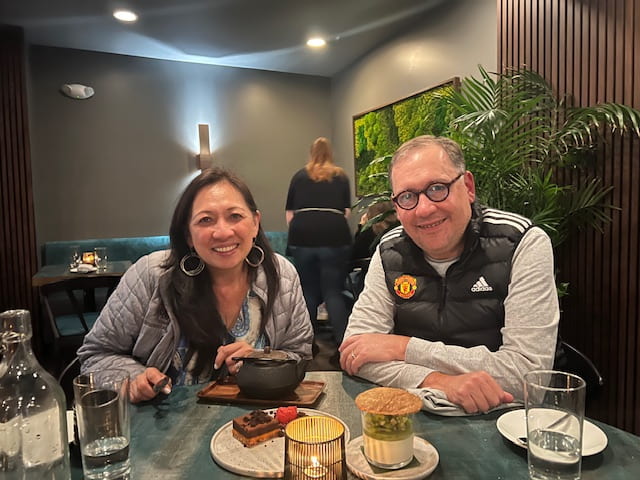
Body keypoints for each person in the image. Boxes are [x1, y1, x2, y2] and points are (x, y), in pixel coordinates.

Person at [339, 135, 559, 414]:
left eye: (437, 188)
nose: (425, 209)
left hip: (503, 420)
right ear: (396, 206)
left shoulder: (522, 243)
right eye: (408, 196)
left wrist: (403, 348)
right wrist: (439, 382)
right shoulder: (389, 251)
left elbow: (528, 378)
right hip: (412, 419)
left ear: (467, 187)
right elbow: (356, 352)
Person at [78, 167, 313, 403]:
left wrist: (262, 359)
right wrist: (133, 379)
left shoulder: (281, 275)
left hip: (260, 428)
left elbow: (300, 355)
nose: (222, 232)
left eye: (235, 216)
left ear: (255, 223)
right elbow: (95, 356)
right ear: (188, 235)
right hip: (163, 431)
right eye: (205, 220)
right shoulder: (151, 275)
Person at [285, 137, 352, 342]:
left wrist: (303, 231)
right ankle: (343, 344)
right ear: (330, 153)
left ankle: (306, 344)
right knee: (333, 290)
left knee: (308, 290)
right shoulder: (340, 176)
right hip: (334, 234)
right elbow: (346, 212)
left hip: (302, 234)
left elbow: (289, 214)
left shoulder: (299, 176)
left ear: (311, 153)